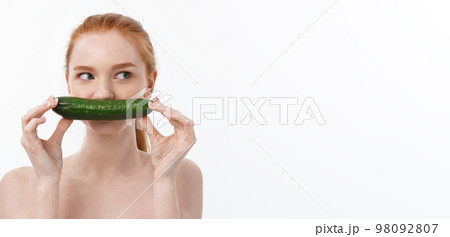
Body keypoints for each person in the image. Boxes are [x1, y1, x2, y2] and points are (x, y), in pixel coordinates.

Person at [0, 13, 202, 219]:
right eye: (86, 76)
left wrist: (165, 182)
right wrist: (47, 183)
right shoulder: (17, 185)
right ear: (69, 84)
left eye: (123, 75)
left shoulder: (182, 176)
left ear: (150, 84)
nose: (104, 93)